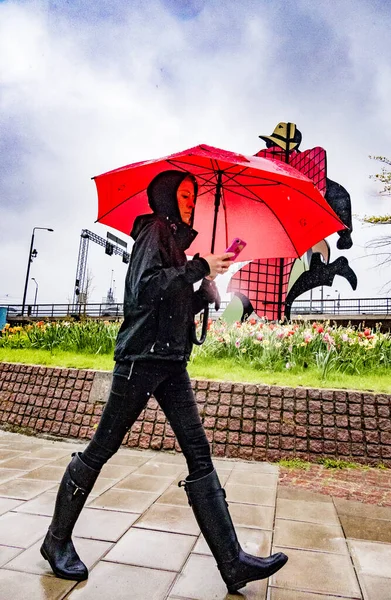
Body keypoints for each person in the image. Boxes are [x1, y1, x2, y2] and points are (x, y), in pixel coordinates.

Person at [40, 170, 288, 594]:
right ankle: (55, 541)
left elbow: (170, 299)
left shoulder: (174, 242)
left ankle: (232, 563)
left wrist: (203, 291)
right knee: (102, 448)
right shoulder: (153, 231)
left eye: (195, 195)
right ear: (166, 198)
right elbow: (143, 289)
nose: (191, 202)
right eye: (185, 195)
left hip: (171, 363)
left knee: (199, 453)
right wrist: (195, 268)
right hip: (140, 361)